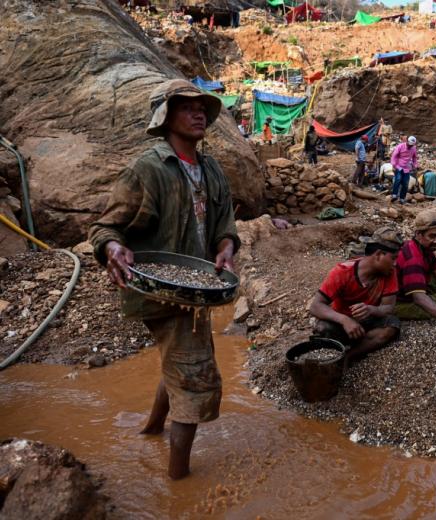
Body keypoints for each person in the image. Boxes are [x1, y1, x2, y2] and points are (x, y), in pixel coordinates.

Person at [89, 79, 239, 480]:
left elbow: (224, 223)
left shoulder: (209, 168)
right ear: (165, 116)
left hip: (199, 288)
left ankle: (151, 429)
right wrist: (112, 250)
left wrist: (225, 248)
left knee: (178, 361)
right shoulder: (148, 168)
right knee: (193, 377)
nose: (199, 113)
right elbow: (106, 227)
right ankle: (178, 483)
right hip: (161, 289)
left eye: (202, 108)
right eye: (186, 106)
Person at [310, 228, 403, 359]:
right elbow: (316, 306)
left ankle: (348, 356)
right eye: (393, 258)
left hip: (368, 323)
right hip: (342, 324)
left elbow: (388, 308)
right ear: (378, 255)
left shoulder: (389, 273)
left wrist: (371, 309)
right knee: (323, 329)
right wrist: (344, 320)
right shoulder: (342, 272)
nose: (395, 264)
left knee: (392, 325)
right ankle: (335, 354)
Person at [390, 135, 418, 204]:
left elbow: (414, 158)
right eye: (409, 145)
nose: (410, 146)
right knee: (398, 180)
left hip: (407, 168)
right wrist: (393, 165)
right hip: (399, 166)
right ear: (407, 142)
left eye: (411, 145)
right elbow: (394, 155)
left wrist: (415, 165)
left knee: (405, 183)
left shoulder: (413, 148)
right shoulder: (400, 146)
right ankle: (394, 195)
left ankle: (402, 198)